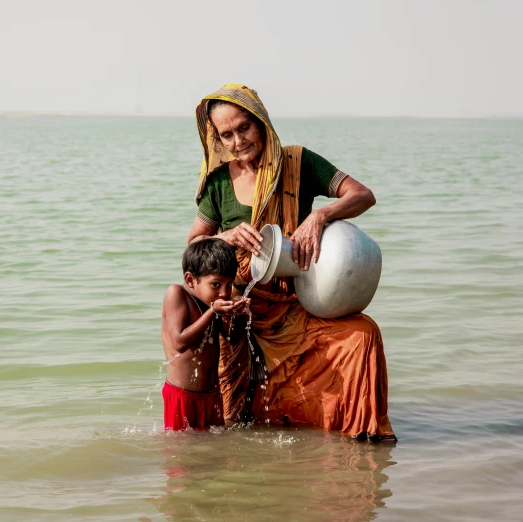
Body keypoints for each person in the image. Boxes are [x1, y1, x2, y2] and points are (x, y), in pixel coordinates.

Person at [187, 84, 396, 441]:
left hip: (296, 303)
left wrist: (320, 217)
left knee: (362, 335)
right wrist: (227, 236)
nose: (238, 141)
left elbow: (363, 195)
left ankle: (362, 444)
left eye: (244, 128)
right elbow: (194, 245)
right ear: (218, 140)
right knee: (226, 419)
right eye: (227, 135)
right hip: (241, 309)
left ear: (261, 122)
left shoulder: (299, 163)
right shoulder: (218, 183)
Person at [161, 238, 250, 431]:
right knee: (182, 454)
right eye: (216, 284)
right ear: (190, 280)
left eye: (229, 285)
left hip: (212, 394)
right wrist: (214, 312)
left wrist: (234, 315)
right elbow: (179, 342)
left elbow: (231, 338)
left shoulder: (211, 302)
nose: (224, 293)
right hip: (182, 396)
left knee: (212, 454)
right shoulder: (177, 294)